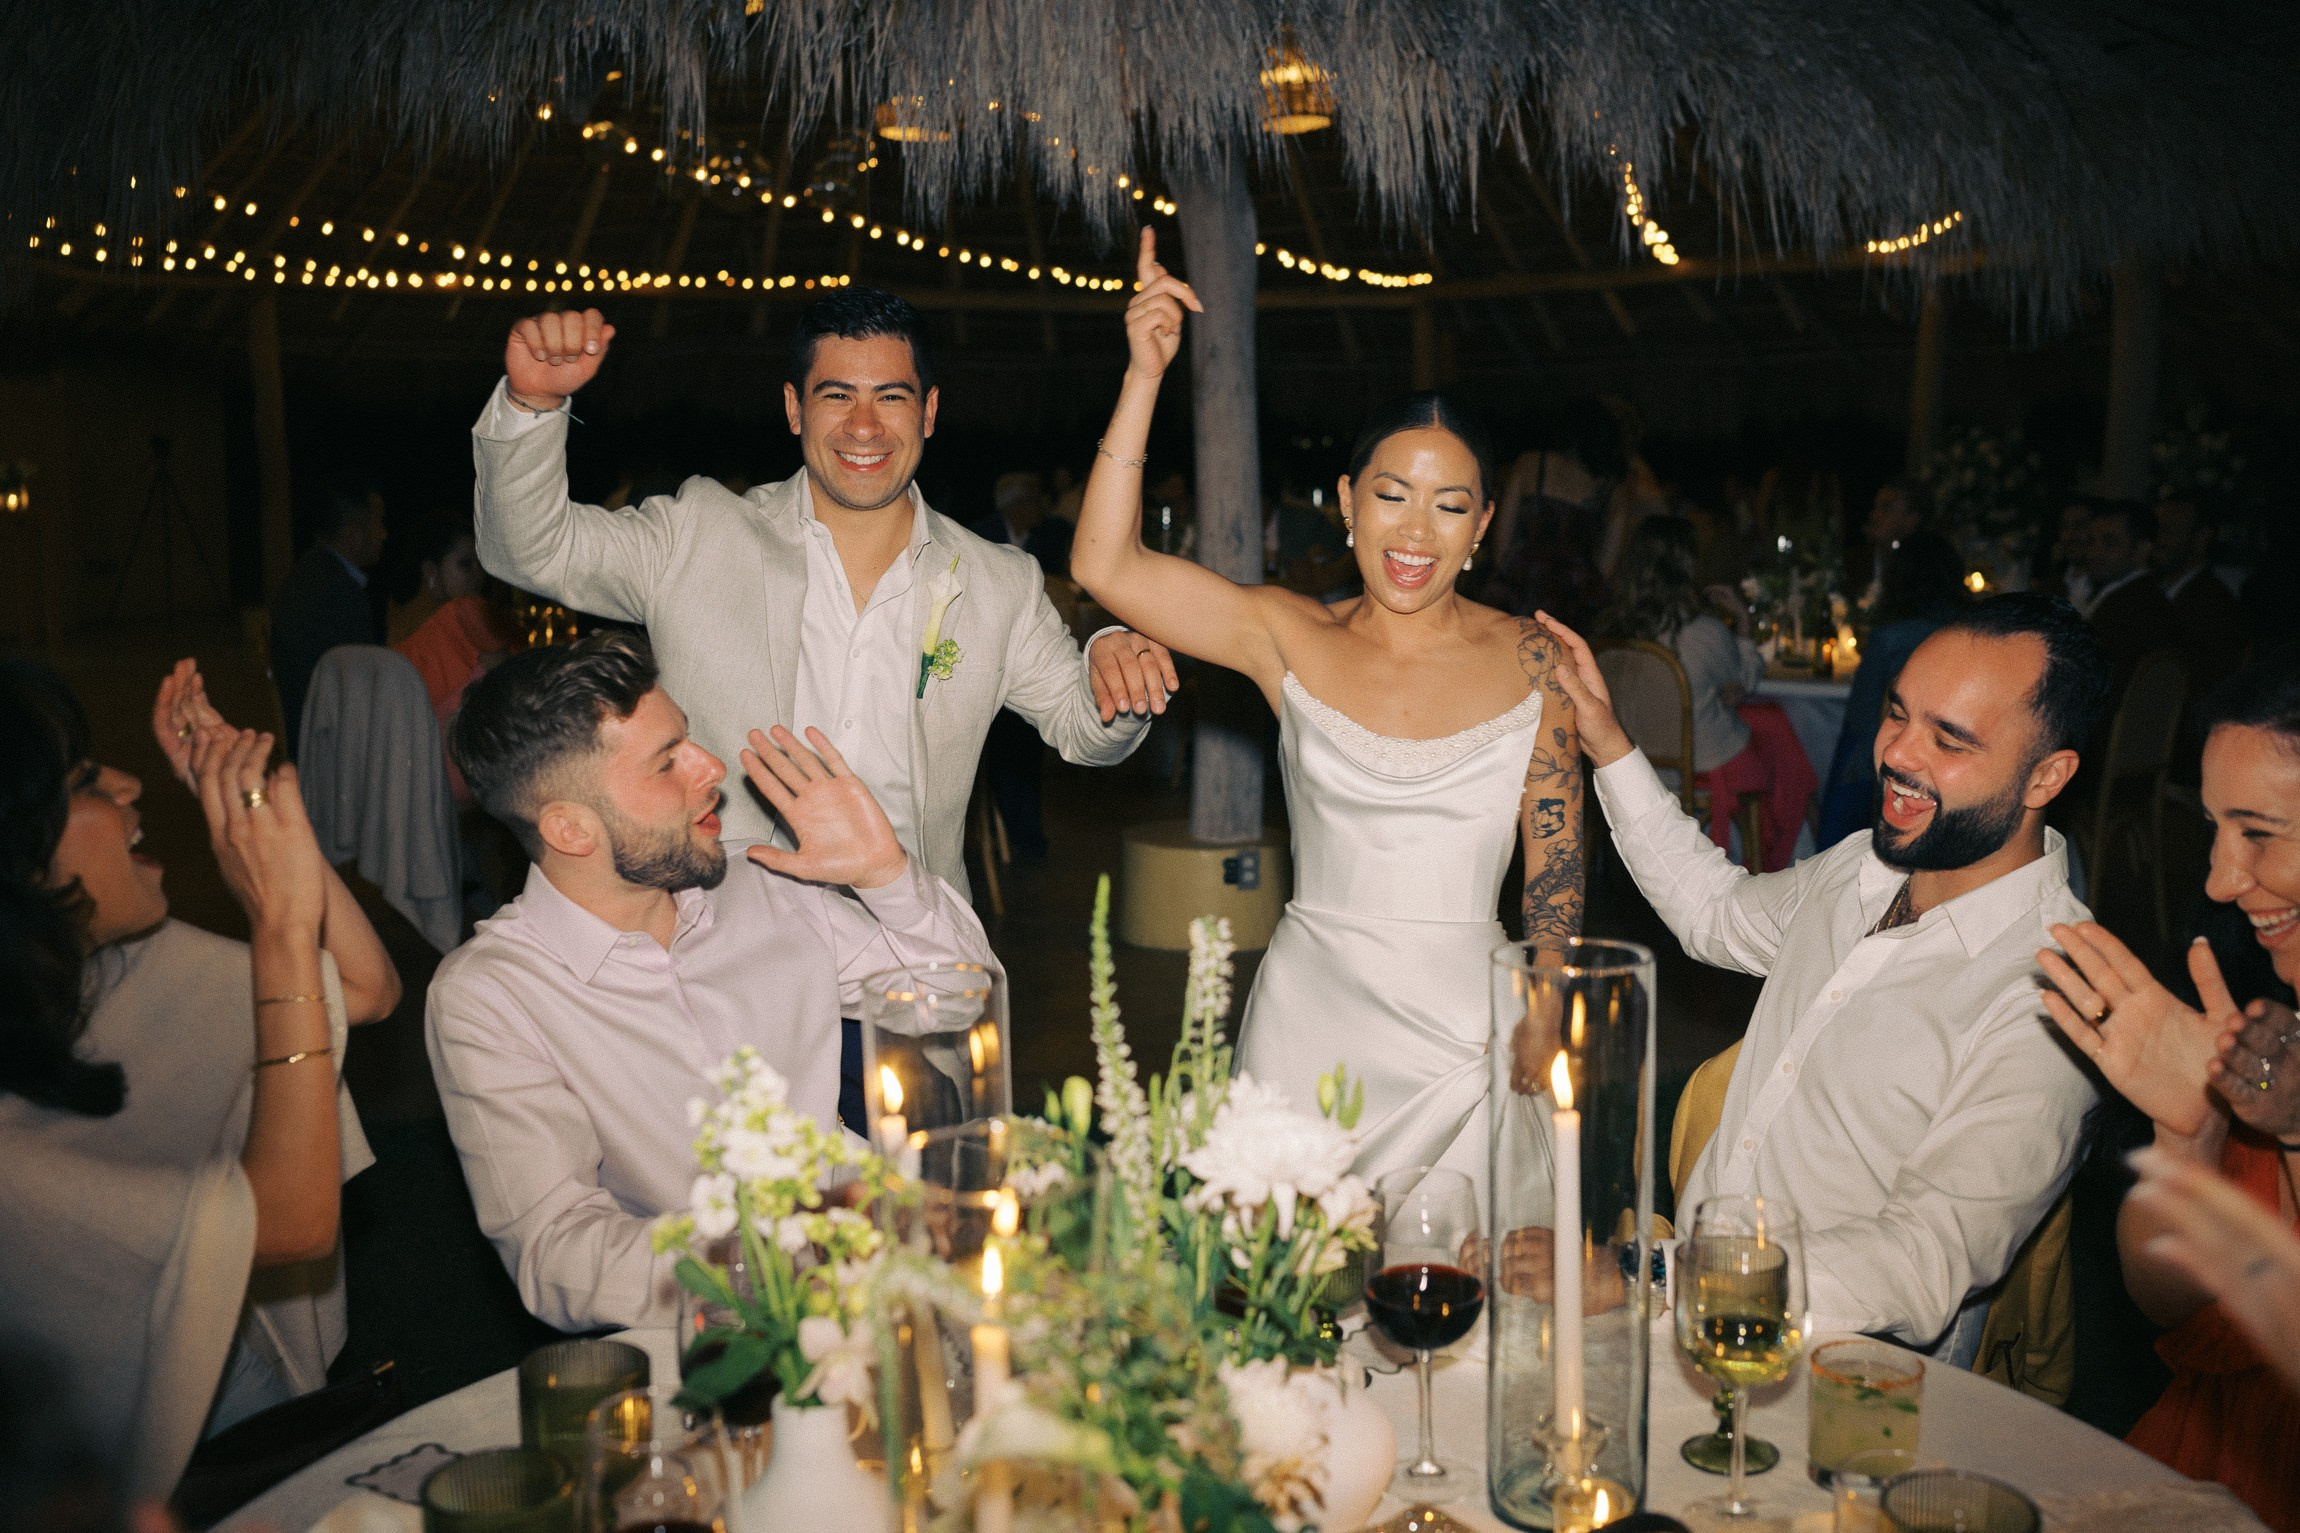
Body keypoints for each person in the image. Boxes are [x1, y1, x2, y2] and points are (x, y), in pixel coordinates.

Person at [1069, 231, 1584, 1198]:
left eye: (1448, 506)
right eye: (1391, 496)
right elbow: (1104, 565)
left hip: (1468, 1034)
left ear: (1481, 528)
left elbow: (1554, 868)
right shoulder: (1284, 633)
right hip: (1308, 1022)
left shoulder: (1534, 659)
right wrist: (1144, 376)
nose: (1413, 533)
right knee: (1281, 1299)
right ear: (1348, 503)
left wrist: (1546, 1001)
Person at [1542, 592, 2108, 1359]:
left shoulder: (2053, 993)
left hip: (1844, 1375)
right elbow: (1715, 910)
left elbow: (1918, 1261)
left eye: (1950, 740)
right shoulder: (1864, 866)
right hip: (1686, 1313)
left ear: (2047, 776)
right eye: (1897, 713)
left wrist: (1654, 1273)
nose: (1897, 755)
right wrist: (1609, 741)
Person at [469, 292, 1175, 900]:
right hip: (730, 950)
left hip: (912, 952)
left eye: (890, 396)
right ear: (794, 409)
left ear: (928, 411)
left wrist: (1120, 678)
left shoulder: (998, 581)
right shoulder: (699, 533)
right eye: (837, 394)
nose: (864, 426)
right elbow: (530, 548)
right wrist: (532, 404)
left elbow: (1086, 731)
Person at [427, 633, 995, 1331]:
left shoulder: (761, 882)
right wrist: (796, 1247)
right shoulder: (492, 996)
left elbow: (965, 999)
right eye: (668, 763)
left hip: (894, 1289)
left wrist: (886, 873)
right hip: (717, 1350)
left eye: (687, 740)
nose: (712, 768)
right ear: (570, 829)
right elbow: (559, 1254)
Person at [0, 658, 397, 1501]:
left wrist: (247, 798)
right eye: (83, 781)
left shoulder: (90, 972)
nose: (131, 783)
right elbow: (290, 1220)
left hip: (239, 1397)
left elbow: (362, 989)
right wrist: (280, 924)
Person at [2032, 659, 2300, 1530]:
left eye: (2258, 832)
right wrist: (2186, 1140)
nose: (2221, 879)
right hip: (2201, 1459)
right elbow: (2172, 1306)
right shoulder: (2265, 1030)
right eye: (2217, 828)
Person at [1596, 517, 1815, 871]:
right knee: (1779, 741)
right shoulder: (1702, 632)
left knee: (1769, 727)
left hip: (1635, 764)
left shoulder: (1608, 636)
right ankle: (1785, 859)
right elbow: (1746, 679)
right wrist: (1742, 622)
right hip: (1699, 762)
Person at [1818, 533, 1970, 848]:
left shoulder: (1890, 638)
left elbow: (1861, 713)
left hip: (1881, 773)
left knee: (1851, 750)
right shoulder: (1968, 635)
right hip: (1951, 761)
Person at [390, 513, 526, 804]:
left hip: (407, 775)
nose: (479, 576)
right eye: (465, 565)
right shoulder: (464, 611)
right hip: (463, 777)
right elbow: (518, 670)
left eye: (481, 565)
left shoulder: (396, 618)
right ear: (430, 570)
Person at [1476, 397, 1629, 633]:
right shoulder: (1611, 490)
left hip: (1519, 593)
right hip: (1572, 605)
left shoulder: (1529, 465)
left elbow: (1502, 543)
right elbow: (1605, 570)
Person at [269, 486, 388, 753]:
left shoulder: (307, 574)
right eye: (378, 523)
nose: (384, 535)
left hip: (307, 733)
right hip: (327, 746)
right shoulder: (338, 590)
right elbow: (364, 688)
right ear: (353, 535)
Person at [2153, 499, 2251, 694]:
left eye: (2168, 531)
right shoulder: (2154, 591)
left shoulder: (2214, 608)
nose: (2157, 541)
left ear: (2201, 538)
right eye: (2154, 531)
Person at [2079, 500, 2177, 695]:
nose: (2094, 553)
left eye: (2109, 543)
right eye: (2091, 542)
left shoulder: (2135, 608)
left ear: (2142, 550)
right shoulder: (2123, 597)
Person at [1854, 478, 1924, 608]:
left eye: (1886, 508)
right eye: (1875, 507)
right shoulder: (1853, 562)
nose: (1874, 515)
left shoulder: (1921, 573)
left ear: (1911, 520)